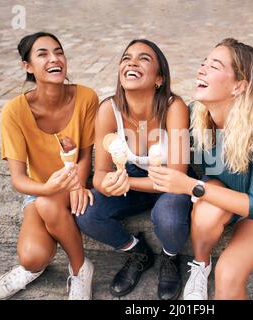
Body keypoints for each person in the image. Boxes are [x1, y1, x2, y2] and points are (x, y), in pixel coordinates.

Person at [148, 38, 253, 300]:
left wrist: (190, 185)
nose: (201, 69)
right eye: (203, 63)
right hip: (219, 195)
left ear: (239, 85)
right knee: (206, 212)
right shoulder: (192, 113)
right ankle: (201, 265)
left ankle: (214, 267)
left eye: (213, 66)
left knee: (227, 273)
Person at [76, 39, 193, 300]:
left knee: (170, 218)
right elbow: (100, 175)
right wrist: (105, 183)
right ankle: (139, 252)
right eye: (127, 57)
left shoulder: (175, 107)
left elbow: (176, 177)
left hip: (172, 182)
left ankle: (170, 257)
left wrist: (124, 183)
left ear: (159, 79)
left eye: (144, 59)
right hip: (137, 178)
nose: (132, 62)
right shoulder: (109, 109)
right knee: (87, 214)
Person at [0, 32, 98, 300]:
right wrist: (46, 187)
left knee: (49, 204)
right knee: (31, 257)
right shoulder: (14, 111)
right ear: (27, 66)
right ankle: (32, 269)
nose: (54, 59)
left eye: (59, 52)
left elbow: (86, 154)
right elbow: (18, 178)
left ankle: (81, 268)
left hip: (77, 183)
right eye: (43, 54)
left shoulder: (86, 97)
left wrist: (77, 184)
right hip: (39, 188)